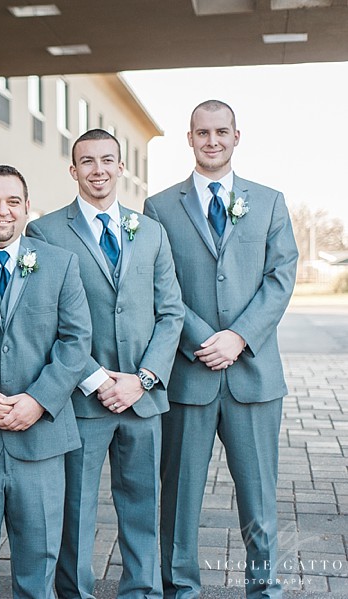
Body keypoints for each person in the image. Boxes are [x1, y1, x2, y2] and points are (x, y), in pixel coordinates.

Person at [143, 100, 298, 599]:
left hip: (254, 377)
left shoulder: (270, 201)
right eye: (202, 132)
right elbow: (159, 286)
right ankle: (180, 590)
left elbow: (280, 278)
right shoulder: (159, 207)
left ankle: (265, 589)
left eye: (221, 132)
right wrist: (202, 339)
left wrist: (239, 337)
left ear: (237, 136)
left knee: (259, 500)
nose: (212, 140)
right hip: (190, 375)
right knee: (180, 499)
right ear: (188, 138)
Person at [29, 129, 184, 599]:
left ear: (121, 167)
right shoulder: (46, 232)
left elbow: (171, 312)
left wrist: (142, 379)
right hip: (82, 401)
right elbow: (46, 321)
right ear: (73, 170)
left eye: (107, 160)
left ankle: (142, 591)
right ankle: (75, 592)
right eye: (88, 161)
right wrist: (97, 380)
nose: (99, 169)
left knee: (142, 505)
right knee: (75, 510)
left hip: (142, 398)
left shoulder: (151, 231)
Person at [0, 165, 91, 599]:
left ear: (28, 208)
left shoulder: (61, 263)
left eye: (12, 202)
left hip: (42, 439)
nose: (2, 211)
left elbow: (76, 340)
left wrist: (38, 400)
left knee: (40, 559)